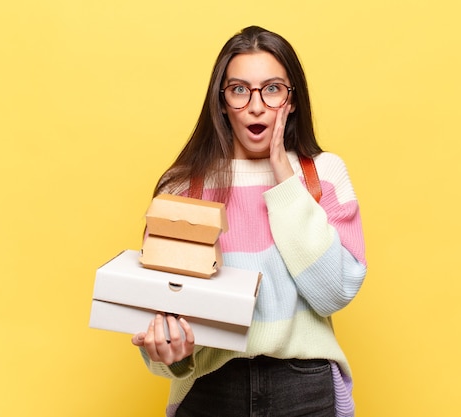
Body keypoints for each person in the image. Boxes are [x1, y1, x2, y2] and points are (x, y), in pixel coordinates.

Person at [131, 25, 367, 417]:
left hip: (303, 388)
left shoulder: (323, 175)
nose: (256, 106)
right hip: (210, 388)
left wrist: (284, 178)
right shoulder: (182, 187)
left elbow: (333, 292)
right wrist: (170, 355)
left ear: (292, 100)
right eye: (240, 90)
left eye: (272, 88)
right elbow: (158, 329)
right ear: (221, 102)